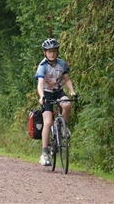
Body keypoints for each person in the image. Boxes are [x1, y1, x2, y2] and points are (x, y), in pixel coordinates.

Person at [35, 38, 76, 166]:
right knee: (47, 122)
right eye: (49, 51)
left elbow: (67, 80)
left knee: (67, 104)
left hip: (58, 92)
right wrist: (41, 96)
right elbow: (40, 84)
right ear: (45, 53)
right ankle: (44, 153)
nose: (52, 54)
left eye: (54, 51)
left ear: (57, 52)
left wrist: (72, 92)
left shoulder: (61, 64)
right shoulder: (42, 66)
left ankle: (63, 127)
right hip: (47, 94)